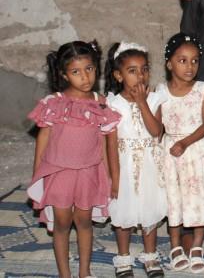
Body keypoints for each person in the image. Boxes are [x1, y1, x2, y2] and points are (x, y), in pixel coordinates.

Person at [27, 41, 120, 278]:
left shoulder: (101, 103)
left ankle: (84, 271)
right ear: (64, 74)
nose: (85, 77)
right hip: (59, 173)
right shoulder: (55, 102)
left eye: (89, 69)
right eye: (76, 71)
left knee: (84, 222)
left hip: (88, 173)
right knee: (61, 223)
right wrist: (38, 174)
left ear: (96, 68)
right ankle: (64, 273)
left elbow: (103, 142)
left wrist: (108, 176)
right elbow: (43, 139)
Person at [157, 33, 204, 273]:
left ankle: (197, 245)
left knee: (199, 198)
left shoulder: (202, 89)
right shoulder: (161, 91)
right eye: (182, 61)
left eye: (194, 61)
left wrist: (185, 142)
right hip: (171, 154)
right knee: (174, 199)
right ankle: (175, 246)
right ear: (169, 64)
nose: (189, 66)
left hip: (196, 150)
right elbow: (157, 128)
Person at [104, 42, 166, 278]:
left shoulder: (155, 100)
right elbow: (111, 145)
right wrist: (114, 178)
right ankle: (123, 258)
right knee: (124, 213)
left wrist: (142, 103)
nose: (140, 76)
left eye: (144, 69)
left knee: (150, 210)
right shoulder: (113, 104)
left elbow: (156, 131)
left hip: (150, 166)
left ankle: (150, 256)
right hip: (125, 167)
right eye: (132, 71)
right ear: (119, 76)